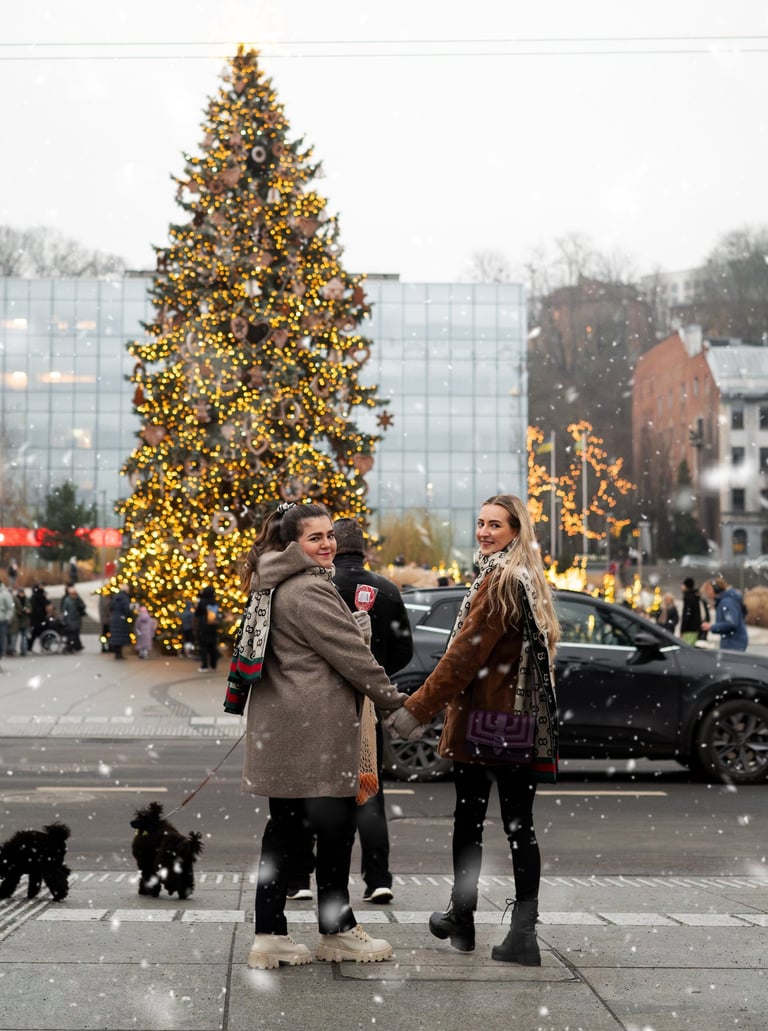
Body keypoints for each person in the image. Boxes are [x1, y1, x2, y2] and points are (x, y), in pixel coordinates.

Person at [386, 494, 559, 966]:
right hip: (519, 722)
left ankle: (464, 917)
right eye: (480, 523)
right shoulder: (527, 581)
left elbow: (463, 658)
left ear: (515, 532)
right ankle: (521, 932)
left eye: (495, 525)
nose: (484, 532)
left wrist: (416, 710)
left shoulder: (499, 583)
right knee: (519, 827)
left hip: (486, 723)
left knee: (470, 823)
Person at [238, 501, 406, 970]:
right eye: (316, 538)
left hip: (285, 729)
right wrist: (397, 702)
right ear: (294, 544)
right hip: (317, 731)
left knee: (283, 832)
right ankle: (336, 931)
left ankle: (269, 932)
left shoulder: (272, 584)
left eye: (330, 534)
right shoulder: (308, 589)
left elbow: (302, 648)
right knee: (335, 831)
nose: (328, 543)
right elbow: (352, 657)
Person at [283, 517, 414, 904]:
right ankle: (377, 878)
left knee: (312, 787)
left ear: (335, 545)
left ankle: (298, 878)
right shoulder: (387, 590)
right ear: (365, 548)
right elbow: (405, 650)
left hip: (321, 702)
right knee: (368, 788)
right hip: (368, 705)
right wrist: (379, 675)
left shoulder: (317, 585)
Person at [701, 577, 748, 652]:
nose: (707, 593)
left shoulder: (727, 602)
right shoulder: (726, 601)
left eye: (708, 590)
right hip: (732, 641)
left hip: (733, 643)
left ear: (716, 589)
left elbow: (731, 623)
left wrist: (712, 627)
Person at [195, 585, 220, 672]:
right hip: (213, 626)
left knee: (203, 646)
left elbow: (197, 613)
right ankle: (213, 664)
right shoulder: (214, 602)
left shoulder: (202, 602)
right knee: (213, 646)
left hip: (203, 626)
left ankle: (204, 665)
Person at [680, 578, 709, 645]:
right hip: (697, 628)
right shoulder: (697, 597)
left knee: (687, 649)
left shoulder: (688, 597)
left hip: (689, 629)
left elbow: (687, 615)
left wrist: (682, 630)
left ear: (686, 586)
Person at [109, 583, 134, 660]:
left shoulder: (115, 597)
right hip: (122, 619)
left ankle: (117, 653)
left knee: (116, 637)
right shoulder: (125, 598)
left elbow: (110, 607)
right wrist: (130, 616)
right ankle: (119, 654)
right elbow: (127, 610)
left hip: (114, 619)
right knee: (120, 636)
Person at [60, 585, 86, 653]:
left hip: (76, 620)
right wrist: (64, 619)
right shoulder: (67, 600)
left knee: (75, 634)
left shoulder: (78, 600)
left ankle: (73, 647)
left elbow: (83, 606)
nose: (73, 595)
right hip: (70, 620)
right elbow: (65, 610)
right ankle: (71, 647)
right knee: (71, 635)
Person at [28, 583, 49, 652]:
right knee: (39, 633)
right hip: (38, 619)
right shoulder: (37, 596)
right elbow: (38, 608)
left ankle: (30, 647)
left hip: (37, 619)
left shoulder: (37, 595)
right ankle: (43, 647)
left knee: (36, 634)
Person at [13, 588, 31, 656]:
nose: (21, 594)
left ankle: (24, 650)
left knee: (24, 637)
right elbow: (17, 610)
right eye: (20, 593)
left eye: (22, 593)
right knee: (15, 637)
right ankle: (14, 650)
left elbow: (29, 609)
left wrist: (27, 610)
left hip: (25, 621)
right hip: (18, 621)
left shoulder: (26, 600)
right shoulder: (16, 600)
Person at [0, 579, 14, 659]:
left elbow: (10, 608)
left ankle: (2, 653)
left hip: (2, 621)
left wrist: (7, 618)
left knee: (2, 639)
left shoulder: (5, 594)